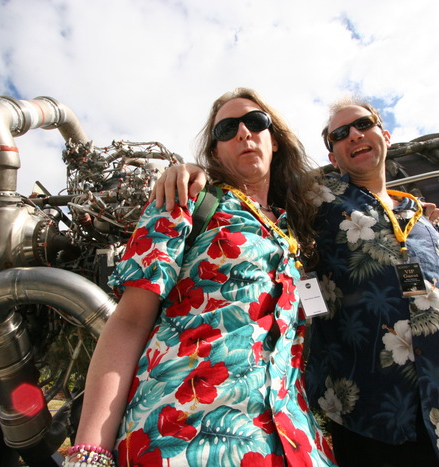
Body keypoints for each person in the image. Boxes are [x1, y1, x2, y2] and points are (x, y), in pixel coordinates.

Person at [150, 96, 439, 466]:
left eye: (362, 125)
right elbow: (251, 179)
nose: (354, 135)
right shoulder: (314, 201)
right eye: (339, 134)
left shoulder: (422, 216)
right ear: (332, 155)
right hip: (374, 419)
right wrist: (191, 172)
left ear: (385, 134)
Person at [65, 88, 337, 467]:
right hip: (184, 436)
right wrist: (89, 452)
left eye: (255, 122)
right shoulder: (185, 200)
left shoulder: (295, 232)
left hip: (294, 443)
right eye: (227, 129)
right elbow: (129, 322)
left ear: (274, 139)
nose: (243, 132)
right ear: (215, 152)